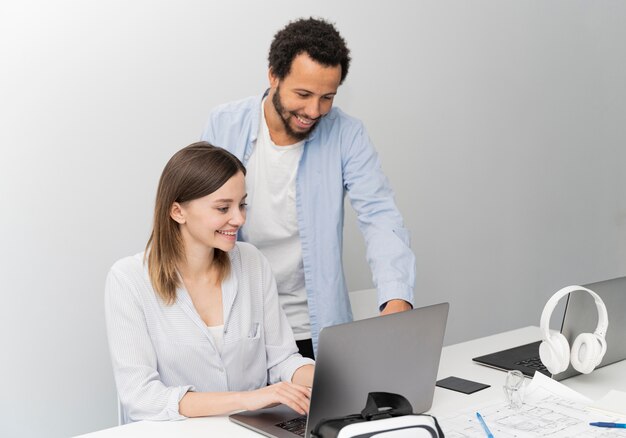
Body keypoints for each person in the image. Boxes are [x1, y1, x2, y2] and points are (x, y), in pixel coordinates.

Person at [201, 17, 416, 357]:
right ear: (274, 75)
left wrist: (397, 296)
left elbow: (380, 215)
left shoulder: (347, 134)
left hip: (312, 330)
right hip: (239, 327)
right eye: (303, 94)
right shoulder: (225, 124)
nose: (314, 110)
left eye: (327, 97)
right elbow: (199, 221)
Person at [105, 142, 314, 422]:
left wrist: (336, 379)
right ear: (178, 211)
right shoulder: (128, 280)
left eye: (242, 205)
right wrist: (247, 399)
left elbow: (282, 359)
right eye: (223, 208)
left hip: (250, 429)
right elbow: (141, 398)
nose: (238, 219)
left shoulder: (252, 261)